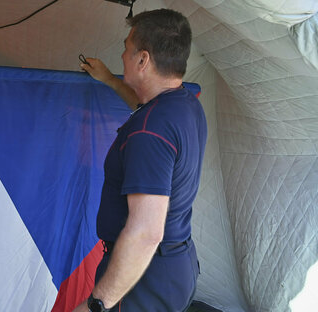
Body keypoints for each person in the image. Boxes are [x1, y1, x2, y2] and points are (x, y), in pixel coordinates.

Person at [76, 9, 207, 311]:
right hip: (176, 263)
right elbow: (143, 105)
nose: (122, 55)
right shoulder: (184, 105)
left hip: (142, 279)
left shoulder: (149, 131)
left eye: (126, 48)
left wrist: (98, 304)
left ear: (143, 59)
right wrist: (109, 79)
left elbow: (146, 233)